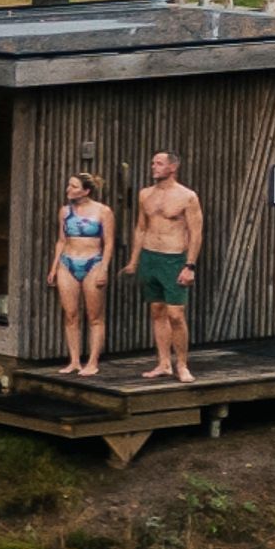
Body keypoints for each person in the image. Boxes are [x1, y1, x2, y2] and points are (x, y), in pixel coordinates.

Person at [132, 150, 208, 388]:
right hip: (150, 256)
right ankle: (163, 363)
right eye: (153, 162)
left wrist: (190, 265)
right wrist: (134, 260)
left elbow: (196, 233)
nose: (153, 166)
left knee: (176, 314)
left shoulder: (187, 196)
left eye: (159, 163)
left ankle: (182, 364)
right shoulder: (145, 194)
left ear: (172, 168)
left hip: (174, 259)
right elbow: (141, 228)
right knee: (157, 310)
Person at [50, 166, 120, 374]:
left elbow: (108, 243)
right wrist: (54, 267)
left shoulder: (103, 211)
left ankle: (92, 362)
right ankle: (74, 360)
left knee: (94, 316)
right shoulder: (64, 211)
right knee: (70, 314)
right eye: (69, 185)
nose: (68, 189)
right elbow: (61, 240)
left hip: (93, 262)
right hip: (67, 262)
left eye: (73, 186)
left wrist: (104, 268)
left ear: (85, 190)